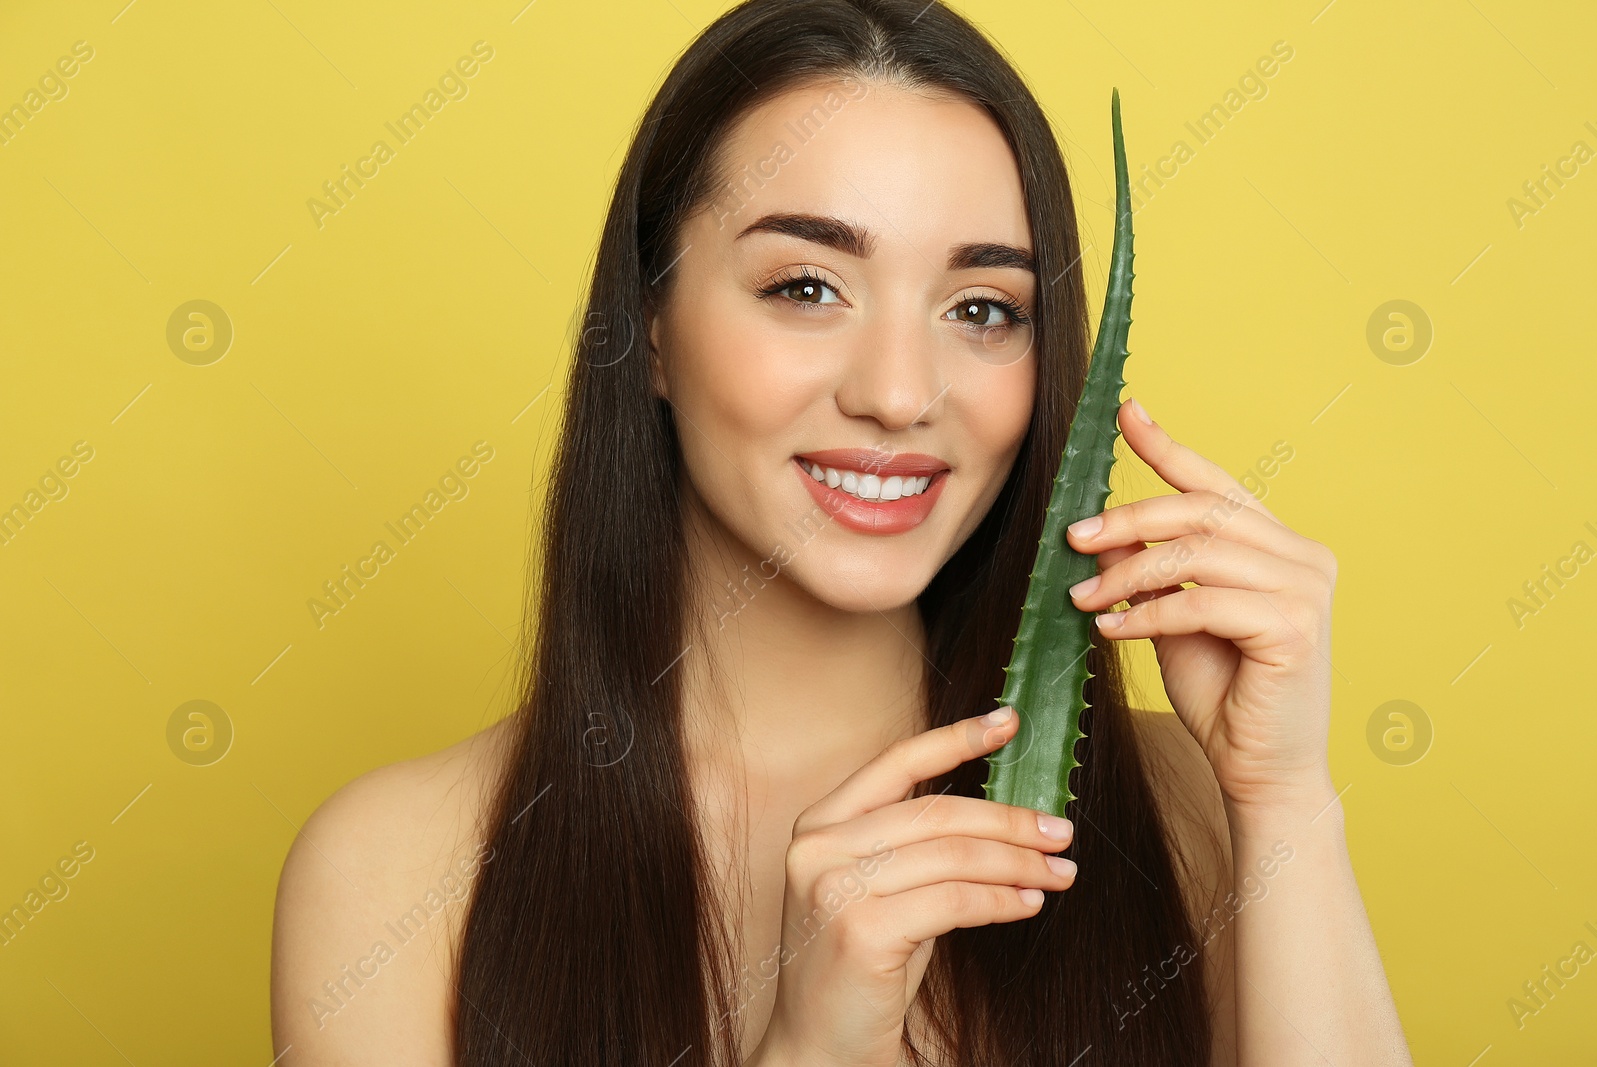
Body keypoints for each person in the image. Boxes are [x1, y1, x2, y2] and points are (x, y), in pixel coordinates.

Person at [270, 1, 1412, 1064]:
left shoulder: (1181, 809)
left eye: (982, 309)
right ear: (653, 326)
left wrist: (1284, 801)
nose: (901, 393)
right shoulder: (397, 872)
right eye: (807, 286)